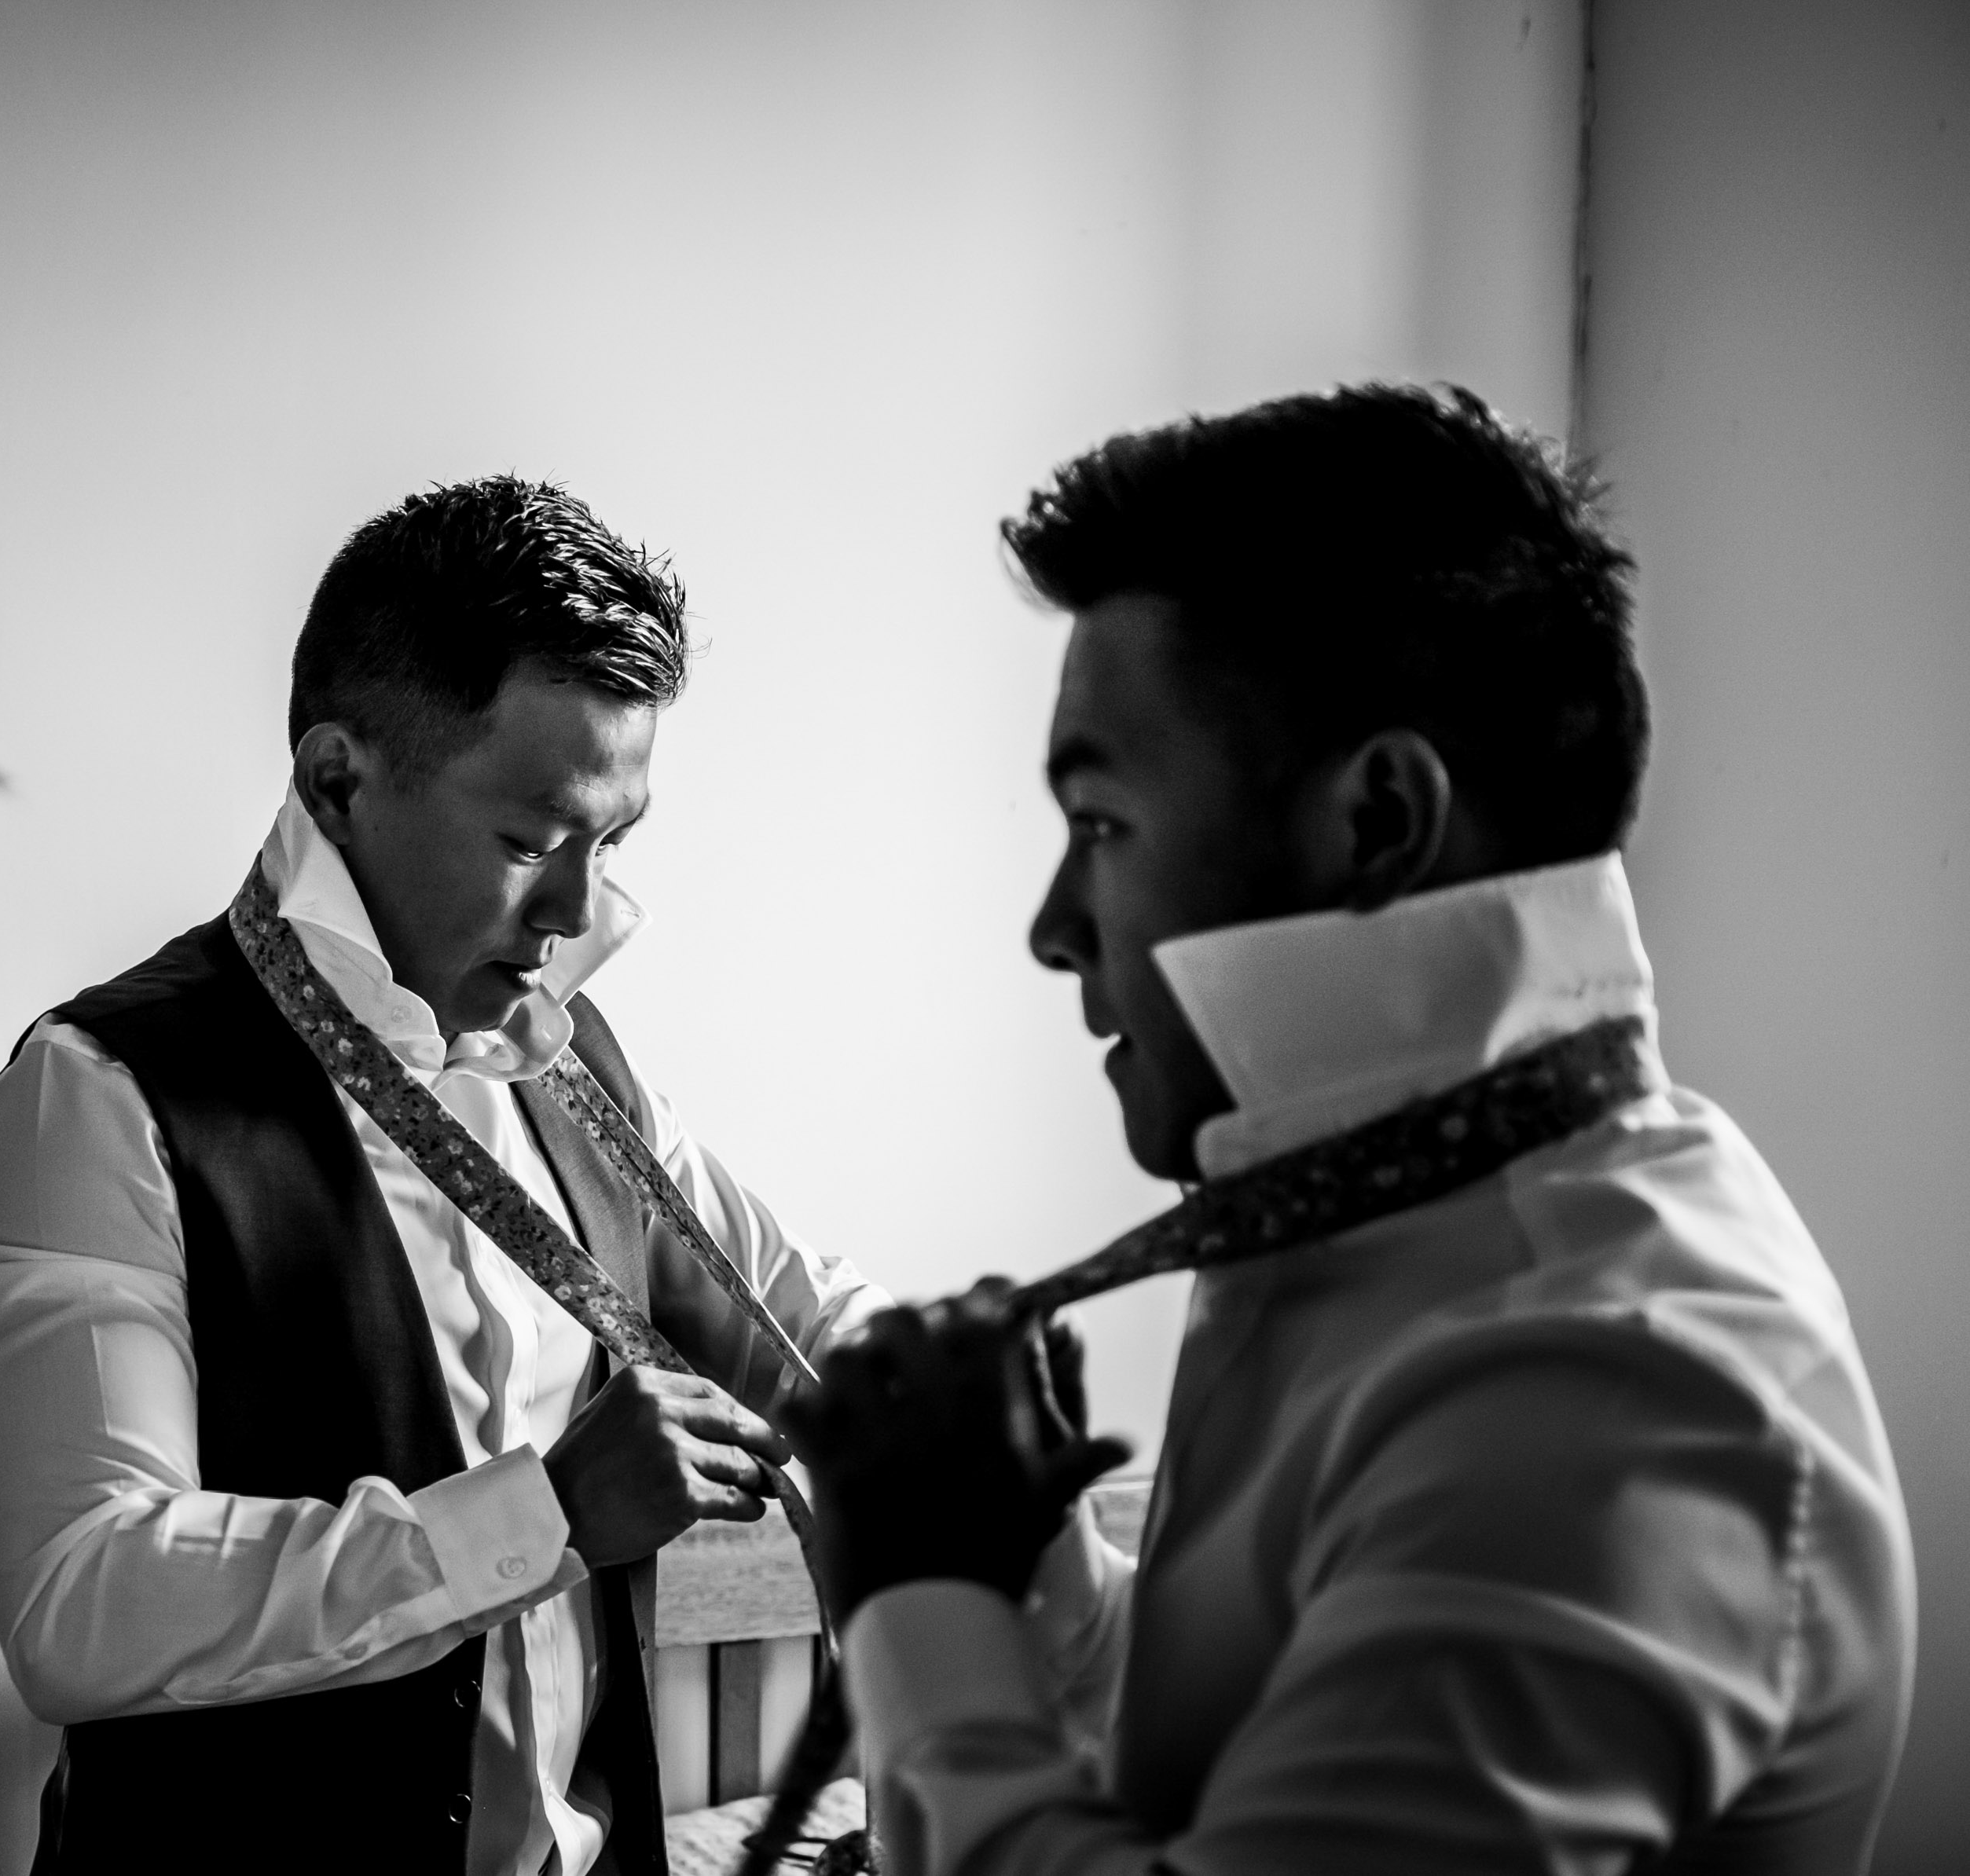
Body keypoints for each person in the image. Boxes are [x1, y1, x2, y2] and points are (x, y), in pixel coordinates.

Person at [794, 386, 1917, 1873]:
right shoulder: (1395, 1234)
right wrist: (1031, 1583)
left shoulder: (1601, 1384)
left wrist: (921, 1610)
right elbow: (1259, 1754)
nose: (1054, 930)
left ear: (1378, 819)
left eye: (1103, 824)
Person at [0, 476, 886, 1875]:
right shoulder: (98, 1097)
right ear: (336, 781)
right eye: (531, 842)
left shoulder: (579, 1078)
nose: (577, 915)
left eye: (612, 846)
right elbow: (82, 1600)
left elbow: (806, 1316)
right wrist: (541, 1517)